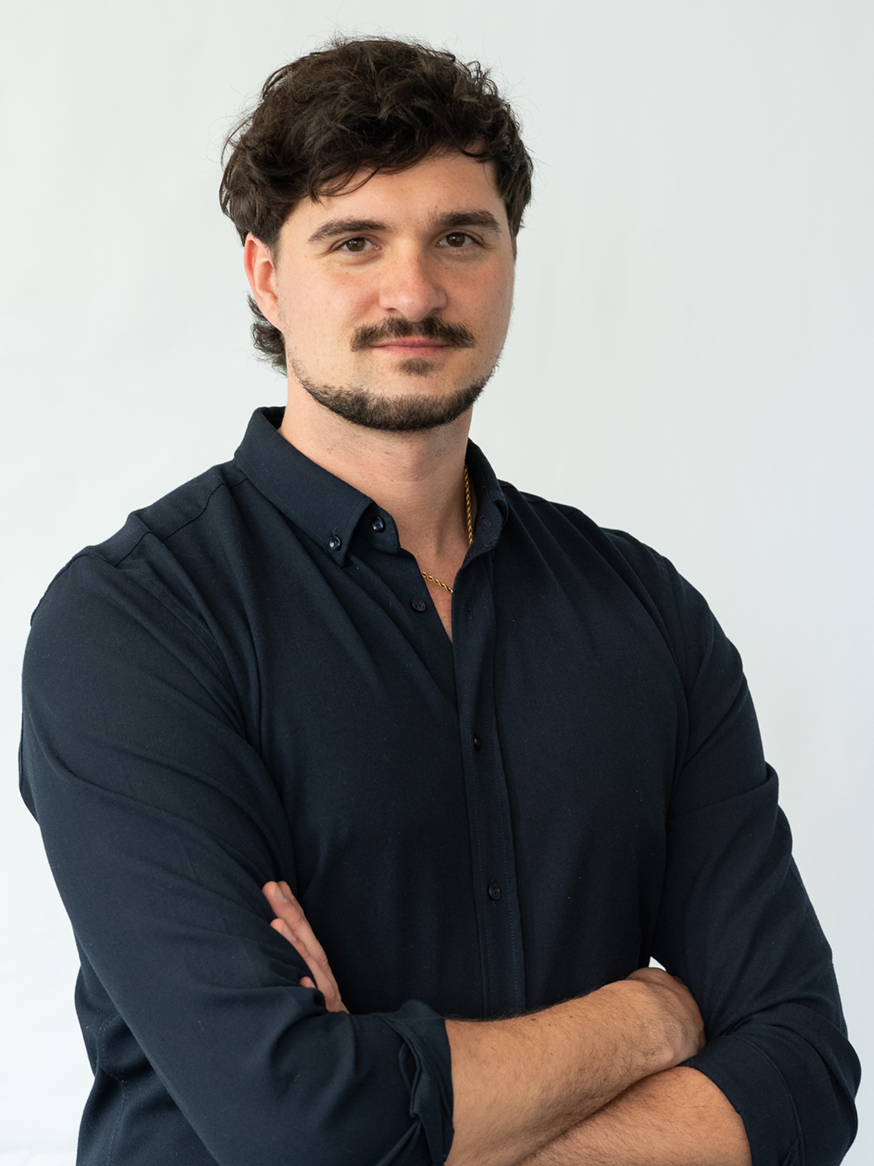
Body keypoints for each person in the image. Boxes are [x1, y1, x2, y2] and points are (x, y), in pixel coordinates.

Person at [20, 36, 858, 1166]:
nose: (413, 291)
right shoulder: (133, 628)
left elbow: (805, 1074)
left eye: (460, 237)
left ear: (510, 259)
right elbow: (295, 1124)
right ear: (266, 275)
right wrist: (652, 1015)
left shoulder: (645, 613)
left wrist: (393, 1106)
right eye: (354, 241)